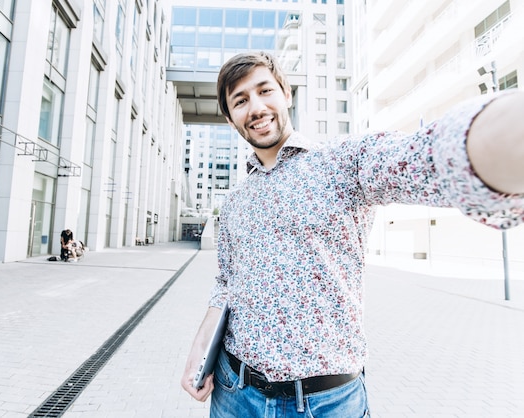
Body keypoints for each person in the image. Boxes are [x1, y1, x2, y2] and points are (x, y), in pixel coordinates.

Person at [180, 51, 524, 417]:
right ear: (232, 119)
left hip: (326, 403)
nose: (257, 107)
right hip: (236, 393)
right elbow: (225, 284)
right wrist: (198, 352)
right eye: (241, 100)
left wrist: (497, 139)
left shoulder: (342, 164)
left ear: (286, 93)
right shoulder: (234, 203)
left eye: (265, 90)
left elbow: (423, 156)